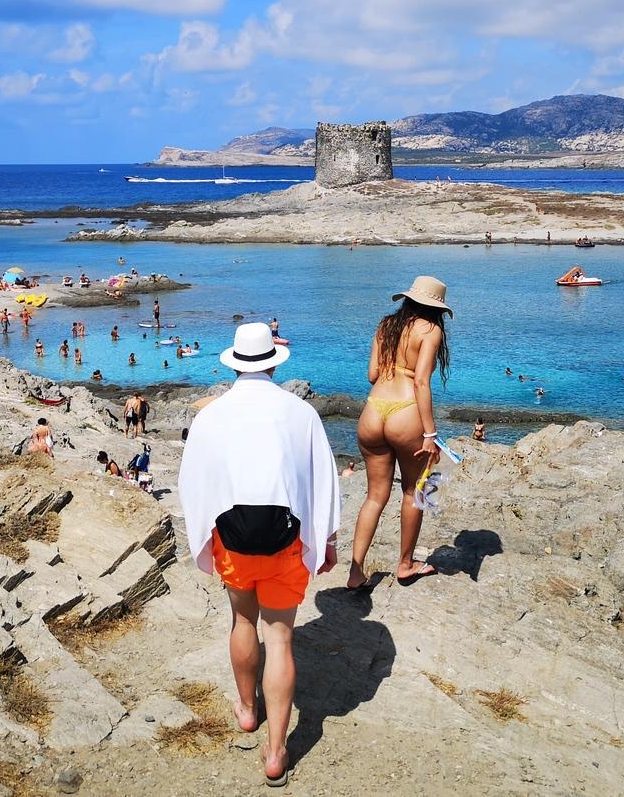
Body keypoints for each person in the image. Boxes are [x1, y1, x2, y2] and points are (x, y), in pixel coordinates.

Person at [178, 322, 340, 787]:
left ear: (235, 363)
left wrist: (205, 538)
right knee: (281, 638)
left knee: (242, 621)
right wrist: (325, 538)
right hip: (286, 541)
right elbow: (322, 479)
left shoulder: (213, 413)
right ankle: (275, 753)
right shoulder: (299, 412)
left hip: (233, 539)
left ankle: (248, 710)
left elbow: (195, 481)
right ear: (272, 361)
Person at [348, 275, 451, 588]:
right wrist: (431, 434)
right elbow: (421, 381)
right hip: (406, 413)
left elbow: (372, 374)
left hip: (373, 410)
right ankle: (405, 565)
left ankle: (355, 573)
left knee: (374, 496)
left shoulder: (385, 326)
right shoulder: (430, 330)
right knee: (416, 491)